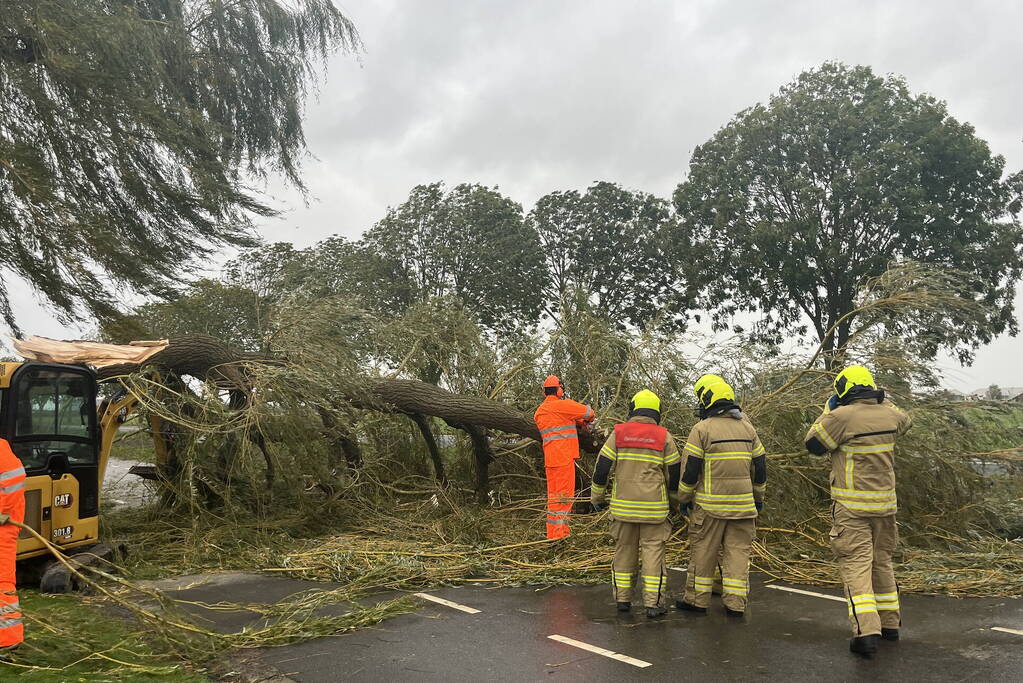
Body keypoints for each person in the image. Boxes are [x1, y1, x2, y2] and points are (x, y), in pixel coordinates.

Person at [804, 365, 912, 657]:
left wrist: (829, 410)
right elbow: (905, 420)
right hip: (885, 506)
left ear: (843, 391)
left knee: (856, 567)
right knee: (882, 562)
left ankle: (865, 632)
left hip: (852, 508)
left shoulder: (841, 417)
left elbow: (813, 444)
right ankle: (890, 625)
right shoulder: (891, 415)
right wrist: (882, 400)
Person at [677, 374, 766, 617]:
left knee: (704, 552)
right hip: (744, 507)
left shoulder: (702, 429)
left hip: (710, 507)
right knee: (738, 554)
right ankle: (735, 605)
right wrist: (758, 497)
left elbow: (690, 469)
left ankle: (697, 601)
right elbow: (760, 465)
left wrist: (683, 499)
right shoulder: (748, 429)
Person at [590, 390, 680, 618]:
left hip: (623, 510)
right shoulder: (664, 436)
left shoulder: (619, 433)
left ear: (633, 409)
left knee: (624, 554)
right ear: (657, 412)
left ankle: (622, 600)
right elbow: (675, 473)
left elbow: (602, 468)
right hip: (654, 511)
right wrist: (677, 502)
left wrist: (597, 498)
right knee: (653, 556)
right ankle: (653, 604)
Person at [533, 375, 595, 539]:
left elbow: (559, 421)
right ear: (559, 389)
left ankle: (552, 535)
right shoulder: (564, 405)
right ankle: (561, 536)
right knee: (564, 499)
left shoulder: (539, 412)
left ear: (544, 392)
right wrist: (584, 421)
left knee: (553, 499)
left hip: (550, 460)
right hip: (564, 458)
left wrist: (578, 422)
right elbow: (590, 413)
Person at [0, 437, 26, 654]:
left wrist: (3, 513)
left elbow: (14, 480)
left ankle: (8, 640)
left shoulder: (0, 449)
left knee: (2, 584)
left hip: (3, 528)